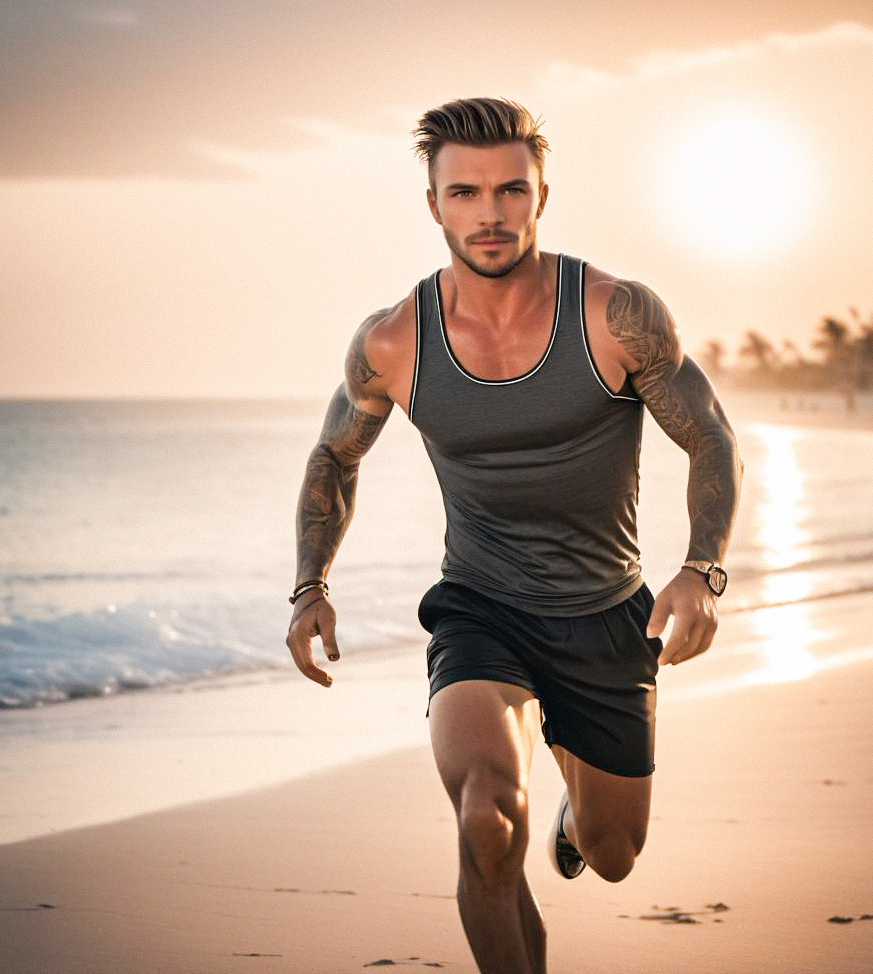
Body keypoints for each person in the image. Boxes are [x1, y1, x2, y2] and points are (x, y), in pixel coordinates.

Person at [285, 97, 744, 974]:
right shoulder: (393, 340)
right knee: (488, 821)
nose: (488, 213)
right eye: (464, 193)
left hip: (608, 617)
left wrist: (700, 571)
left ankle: (580, 809)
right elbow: (334, 456)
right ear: (433, 204)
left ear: (540, 197)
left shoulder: (617, 315)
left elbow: (711, 437)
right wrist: (310, 585)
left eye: (509, 191)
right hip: (479, 612)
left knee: (614, 855)